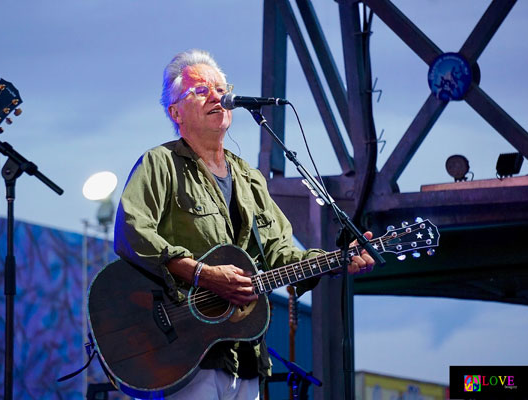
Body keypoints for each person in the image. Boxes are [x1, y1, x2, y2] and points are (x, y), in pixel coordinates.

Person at [113, 49, 375, 400]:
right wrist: (202, 274)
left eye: (221, 88)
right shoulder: (160, 163)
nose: (217, 97)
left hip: (244, 353)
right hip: (184, 351)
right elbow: (131, 231)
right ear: (175, 111)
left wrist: (335, 260)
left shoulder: (250, 179)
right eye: (201, 90)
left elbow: (279, 253)